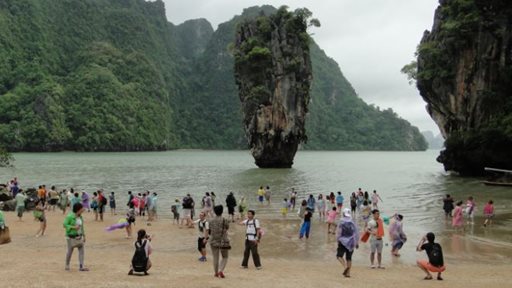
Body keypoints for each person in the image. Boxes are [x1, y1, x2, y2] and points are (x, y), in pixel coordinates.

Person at [63, 203, 88, 271]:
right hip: (71, 236)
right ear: (78, 209)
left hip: (79, 236)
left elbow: (81, 227)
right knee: (70, 251)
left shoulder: (80, 217)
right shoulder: (70, 216)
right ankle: (67, 265)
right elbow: (64, 225)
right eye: (82, 208)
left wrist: (84, 235)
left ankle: (81, 266)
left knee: (81, 250)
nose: (83, 209)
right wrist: (73, 227)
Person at [207, 205, 230, 278]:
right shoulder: (224, 219)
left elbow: (209, 230)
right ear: (222, 211)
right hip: (223, 240)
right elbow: (227, 227)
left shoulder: (210, 220)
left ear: (214, 211)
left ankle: (216, 273)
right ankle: (221, 270)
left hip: (213, 240)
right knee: (225, 257)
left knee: (215, 257)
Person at [336, 208, 359, 278]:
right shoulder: (352, 222)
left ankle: (345, 266)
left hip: (343, 241)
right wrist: (357, 242)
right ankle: (348, 273)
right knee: (349, 258)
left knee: (339, 256)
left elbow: (339, 232)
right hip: (351, 242)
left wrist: (337, 239)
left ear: (343, 213)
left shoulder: (341, 221)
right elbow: (356, 232)